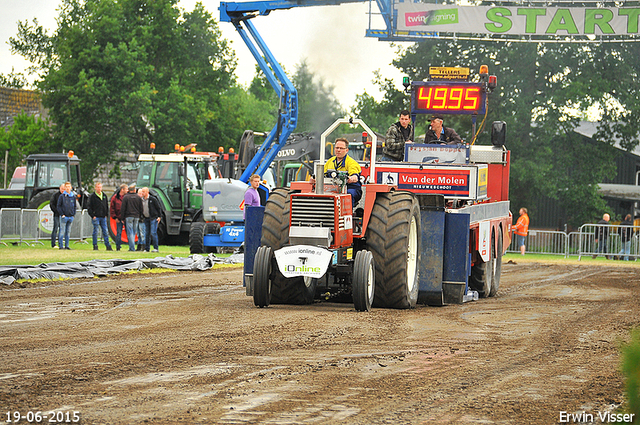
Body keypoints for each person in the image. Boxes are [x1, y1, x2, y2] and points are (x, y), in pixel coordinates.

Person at [323, 138, 362, 208]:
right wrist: (314, 179)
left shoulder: (351, 163)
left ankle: (347, 215)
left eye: (341, 148)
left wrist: (352, 178)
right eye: (337, 148)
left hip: (350, 188)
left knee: (348, 194)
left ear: (347, 150)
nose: (338, 150)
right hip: (332, 188)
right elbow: (322, 174)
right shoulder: (330, 162)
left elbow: (355, 175)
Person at [88, 182, 113, 251]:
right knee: (96, 231)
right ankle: (95, 245)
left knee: (105, 231)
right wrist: (93, 215)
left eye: (100, 187)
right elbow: (89, 207)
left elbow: (106, 206)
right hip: (96, 216)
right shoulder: (92, 196)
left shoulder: (104, 195)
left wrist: (106, 215)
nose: (99, 189)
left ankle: (108, 245)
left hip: (103, 217)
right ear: (95, 188)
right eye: (98, 187)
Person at [120, 184, 143, 252]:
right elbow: (141, 208)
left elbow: (123, 208)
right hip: (136, 216)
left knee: (130, 232)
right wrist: (141, 216)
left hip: (128, 216)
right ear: (134, 190)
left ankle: (132, 248)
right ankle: (132, 247)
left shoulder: (126, 197)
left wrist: (122, 218)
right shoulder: (138, 197)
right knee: (134, 231)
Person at [139, 187, 162, 252]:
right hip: (146, 218)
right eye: (142, 192)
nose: (142, 193)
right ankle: (147, 248)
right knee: (147, 233)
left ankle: (156, 248)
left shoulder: (153, 199)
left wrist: (159, 216)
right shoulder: (141, 200)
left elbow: (158, 208)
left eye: (143, 192)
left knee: (153, 233)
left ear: (147, 192)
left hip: (153, 218)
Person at [56, 181, 76, 250]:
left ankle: (67, 245)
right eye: (66, 187)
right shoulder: (62, 196)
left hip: (70, 216)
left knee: (68, 232)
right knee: (62, 231)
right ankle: (61, 246)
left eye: (69, 187)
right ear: (65, 188)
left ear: (71, 188)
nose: (68, 188)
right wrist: (62, 214)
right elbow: (58, 206)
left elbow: (75, 206)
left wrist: (73, 214)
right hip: (64, 217)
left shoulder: (72, 196)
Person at [110, 184, 128, 251]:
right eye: (126, 189)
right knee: (119, 232)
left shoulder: (127, 197)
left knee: (128, 232)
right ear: (122, 189)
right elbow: (112, 208)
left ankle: (130, 246)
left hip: (126, 218)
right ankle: (118, 246)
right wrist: (115, 217)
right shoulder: (115, 198)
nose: (127, 190)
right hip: (118, 217)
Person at [50, 184, 65, 248]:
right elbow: (52, 205)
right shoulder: (55, 195)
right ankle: (53, 244)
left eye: (64, 189)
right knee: (55, 229)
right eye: (62, 188)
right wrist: (57, 211)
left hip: (64, 216)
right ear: (59, 188)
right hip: (57, 215)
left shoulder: (66, 195)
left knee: (62, 229)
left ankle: (61, 244)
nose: (63, 190)